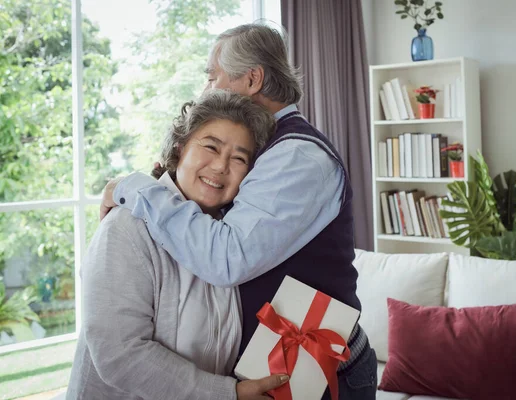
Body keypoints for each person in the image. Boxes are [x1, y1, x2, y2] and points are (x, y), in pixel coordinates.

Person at [101, 23, 378, 399]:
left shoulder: (297, 157)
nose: (205, 91)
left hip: (320, 375)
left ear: (252, 79)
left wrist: (133, 187)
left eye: (212, 77)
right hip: (276, 372)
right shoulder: (266, 149)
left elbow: (227, 258)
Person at [66, 90, 288, 400]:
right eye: (211, 146)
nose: (221, 166)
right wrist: (228, 394)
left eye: (239, 158)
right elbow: (120, 356)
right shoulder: (126, 228)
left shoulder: (230, 238)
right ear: (179, 148)